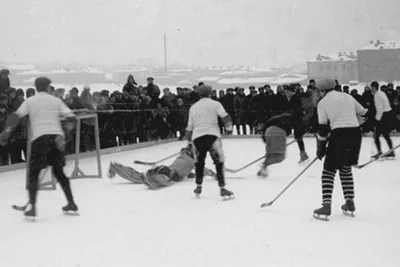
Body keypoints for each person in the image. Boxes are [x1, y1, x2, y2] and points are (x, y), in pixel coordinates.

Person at [0, 77, 78, 220]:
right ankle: (71, 202)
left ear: (36, 87)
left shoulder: (30, 101)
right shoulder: (56, 100)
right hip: (56, 137)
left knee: (33, 173)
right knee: (59, 172)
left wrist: (5, 133)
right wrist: (67, 132)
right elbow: (70, 116)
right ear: (48, 87)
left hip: (40, 138)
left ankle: (32, 208)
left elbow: (15, 117)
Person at [313, 78, 367, 221]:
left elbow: (323, 129)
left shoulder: (323, 103)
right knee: (345, 168)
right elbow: (364, 112)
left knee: (328, 171)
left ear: (322, 90)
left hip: (339, 135)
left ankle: (326, 205)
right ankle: (350, 202)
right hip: (355, 134)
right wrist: (354, 121)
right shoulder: (347, 96)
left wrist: (321, 148)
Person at [186, 84, 234, 199]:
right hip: (213, 135)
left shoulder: (193, 107)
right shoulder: (216, 104)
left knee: (199, 162)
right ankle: (222, 188)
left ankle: (198, 186)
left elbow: (189, 126)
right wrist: (229, 129)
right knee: (219, 161)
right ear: (210, 92)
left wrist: (189, 140)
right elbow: (225, 117)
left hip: (197, 137)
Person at [107, 144, 216, 189]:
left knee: (138, 177)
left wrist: (190, 174)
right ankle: (155, 180)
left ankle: (116, 167)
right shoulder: (191, 162)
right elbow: (204, 170)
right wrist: (215, 174)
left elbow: (185, 169)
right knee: (165, 179)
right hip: (170, 173)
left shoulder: (183, 157)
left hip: (166, 169)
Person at [256, 113, 294, 178]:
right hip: (279, 132)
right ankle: (264, 165)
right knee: (280, 157)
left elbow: (267, 125)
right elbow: (293, 131)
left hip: (268, 132)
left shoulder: (279, 118)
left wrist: (264, 138)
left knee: (270, 155)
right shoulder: (294, 119)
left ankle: (263, 170)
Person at [283, 84, 309, 163]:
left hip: (299, 120)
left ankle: (303, 154)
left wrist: (291, 115)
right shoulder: (291, 98)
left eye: (287, 91)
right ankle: (303, 153)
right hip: (295, 120)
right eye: (285, 92)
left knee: (298, 137)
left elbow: (298, 110)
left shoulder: (296, 98)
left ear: (291, 91)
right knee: (298, 137)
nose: (286, 93)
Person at [370, 81, 395, 159]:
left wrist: (376, 120)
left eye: (371, 87)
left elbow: (380, 109)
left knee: (376, 135)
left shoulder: (377, 95)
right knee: (386, 135)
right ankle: (391, 152)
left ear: (374, 87)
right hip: (388, 115)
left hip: (383, 116)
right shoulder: (382, 93)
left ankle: (379, 152)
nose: (371, 89)